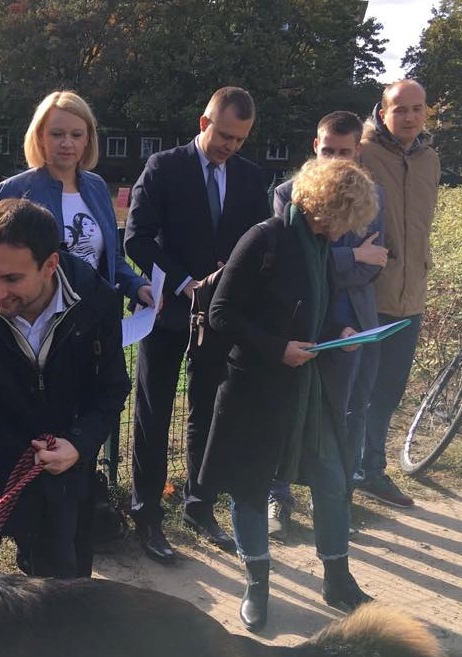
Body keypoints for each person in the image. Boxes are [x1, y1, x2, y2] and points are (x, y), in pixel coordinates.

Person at [201, 158, 379, 631]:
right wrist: (278, 348)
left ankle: (337, 579)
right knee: (250, 485)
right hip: (255, 387)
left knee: (333, 478)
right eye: (341, 218)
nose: (343, 230)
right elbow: (222, 314)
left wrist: (338, 329)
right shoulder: (265, 238)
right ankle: (257, 584)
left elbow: (310, 312)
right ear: (321, 205)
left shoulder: (320, 244)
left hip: (308, 388)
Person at [0, 198, 129, 578]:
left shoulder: (95, 301)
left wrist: (80, 444)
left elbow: (111, 388)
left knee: (62, 591)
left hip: (60, 465)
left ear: (50, 264)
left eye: (12, 279)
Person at [123, 87, 271, 563]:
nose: (230, 146)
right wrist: (186, 282)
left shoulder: (252, 179)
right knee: (153, 413)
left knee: (207, 413)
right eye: (225, 134)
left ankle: (199, 503)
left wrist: (230, 286)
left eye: (241, 140)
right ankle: (146, 515)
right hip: (167, 313)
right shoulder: (164, 167)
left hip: (220, 318)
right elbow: (136, 238)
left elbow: (258, 245)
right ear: (204, 122)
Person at [267, 111, 388, 541]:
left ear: (358, 152)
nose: (335, 159)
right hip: (300, 321)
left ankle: (336, 500)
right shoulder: (288, 194)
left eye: (344, 151)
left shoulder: (373, 196)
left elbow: (376, 266)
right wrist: (352, 256)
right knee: (288, 409)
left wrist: (349, 269)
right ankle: (277, 497)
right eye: (327, 150)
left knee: (345, 414)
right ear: (314, 146)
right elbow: (297, 266)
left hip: (352, 327)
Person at [356, 80, 440, 509]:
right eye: (400, 109)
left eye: (417, 108)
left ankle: (370, 470)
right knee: (356, 392)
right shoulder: (363, 153)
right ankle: (345, 474)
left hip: (411, 299)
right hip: (370, 294)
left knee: (388, 391)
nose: (410, 116)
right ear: (383, 112)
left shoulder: (430, 160)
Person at [0, 90, 152, 306]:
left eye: (76, 135)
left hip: (92, 320)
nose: (67, 143)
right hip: (35, 323)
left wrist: (138, 286)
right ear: (40, 136)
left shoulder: (97, 187)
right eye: (57, 134)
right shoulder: (14, 190)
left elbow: (111, 259)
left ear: (88, 139)